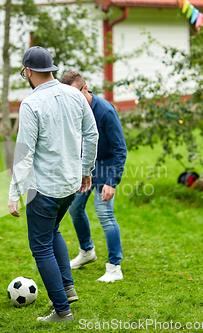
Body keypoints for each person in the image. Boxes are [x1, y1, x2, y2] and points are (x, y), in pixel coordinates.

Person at [8, 47, 98, 322]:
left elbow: (25, 153)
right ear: (52, 69)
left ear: (28, 71)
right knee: (53, 231)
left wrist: (14, 193)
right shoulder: (75, 94)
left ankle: (62, 310)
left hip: (44, 189)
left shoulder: (30, 104)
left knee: (41, 246)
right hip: (70, 185)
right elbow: (91, 135)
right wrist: (86, 171)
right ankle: (67, 288)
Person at [60, 71, 127, 282]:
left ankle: (115, 267)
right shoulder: (73, 111)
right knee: (74, 208)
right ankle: (87, 252)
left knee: (104, 213)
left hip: (106, 167)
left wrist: (111, 181)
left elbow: (120, 149)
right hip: (84, 168)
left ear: (85, 88)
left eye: (75, 94)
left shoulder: (106, 111)